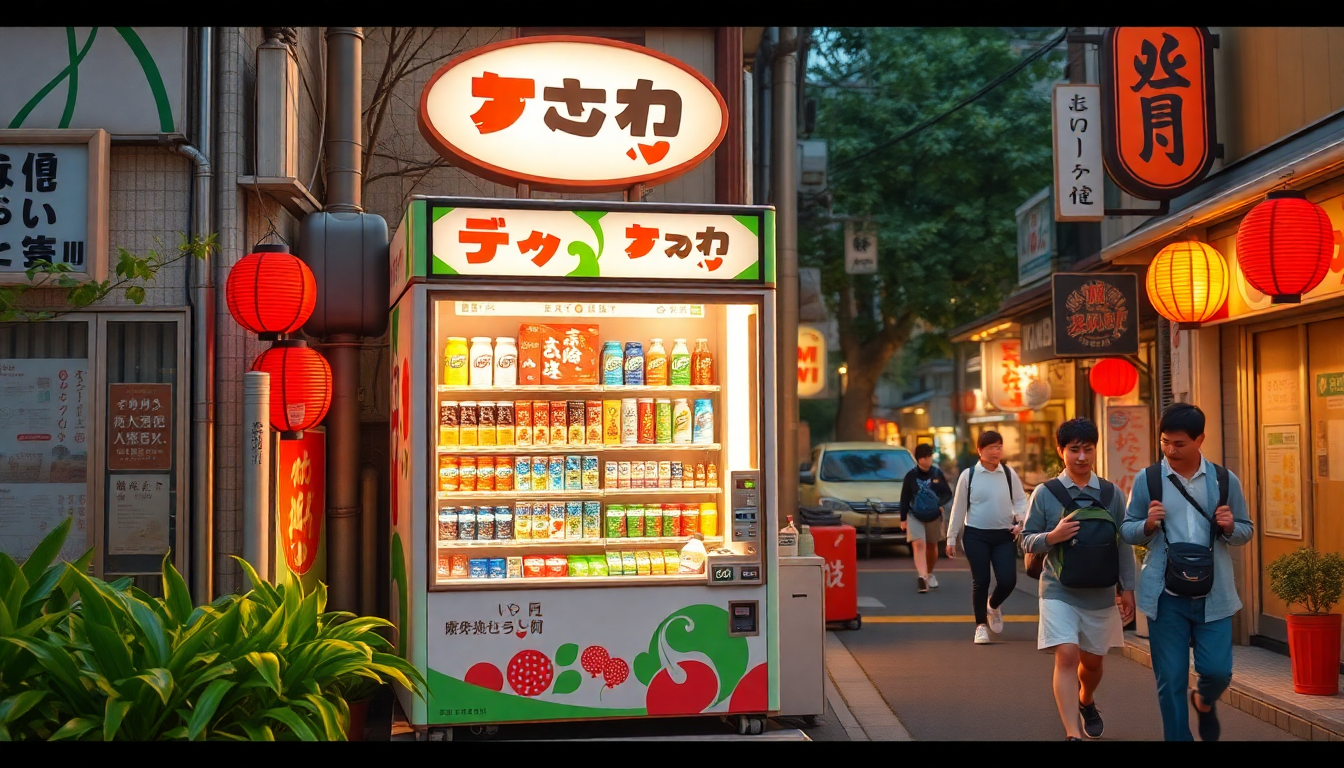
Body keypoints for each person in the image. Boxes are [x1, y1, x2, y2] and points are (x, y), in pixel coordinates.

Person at [1121, 403, 1253, 742]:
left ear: (1200, 440)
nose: (1170, 450)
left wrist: (1230, 527)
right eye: (1165, 442)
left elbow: (1246, 530)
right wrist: (1147, 524)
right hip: (1165, 595)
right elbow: (1127, 529)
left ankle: (1204, 700)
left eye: (1179, 444)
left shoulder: (1224, 480)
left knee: (1218, 672)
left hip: (1214, 593)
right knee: (1171, 680)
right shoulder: (1149, 479)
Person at [1021, 418, 1136, 740]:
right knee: (1067, 654)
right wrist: (1052, 537)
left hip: (1100, 593)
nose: (1082, 457)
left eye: (1088, 449)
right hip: (1058, 589)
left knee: (1093, 663)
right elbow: (1025, 540)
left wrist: (1127, 588)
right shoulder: (1046, 493)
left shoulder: (1111, 493)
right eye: (1074, 450)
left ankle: (1086, 700)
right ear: (1061, 451)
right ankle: (1073, 733)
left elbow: (1123, 543)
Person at [946, 430, 1027, 644]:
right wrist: (951, 538)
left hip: (1004, 536)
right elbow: (958, 508)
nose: (996, 451)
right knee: (981, 580)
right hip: (975, 535)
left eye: (999, 447)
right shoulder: (969, 475)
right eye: (991, 447)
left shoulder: (1008, 473)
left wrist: (1021, 523)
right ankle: (980, 626)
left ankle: (993, 605)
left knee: (1008, 580)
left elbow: (1021, 501)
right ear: (980, 450)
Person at [900, 443, 954, 593]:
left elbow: (947, 493)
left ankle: (929, 573)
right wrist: (903, 518)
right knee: (918, 544)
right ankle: (922, 578)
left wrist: (940, 504)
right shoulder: (911, 476)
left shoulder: (937, 473)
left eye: (929, 456)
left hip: (933, 515)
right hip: (914, 514)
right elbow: (905, 498)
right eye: (924, 457)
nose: (928, 460)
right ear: (918, 459)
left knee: (931, 546)